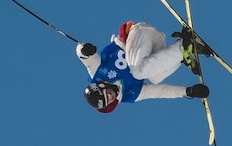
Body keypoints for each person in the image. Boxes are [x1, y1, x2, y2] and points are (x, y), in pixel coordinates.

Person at [78, 21, 210, 114]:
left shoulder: (97, 73)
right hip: (156, 46)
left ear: (102, 86)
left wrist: (84, 50)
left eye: (107, 94)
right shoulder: (127, 94)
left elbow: (84, 57)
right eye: (109, 101)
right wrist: (187, 91)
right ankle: (183, 52)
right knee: (155, 78)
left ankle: (183, 48)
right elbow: (158, 92)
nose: (112, 97)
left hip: (139, 34)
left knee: (138, 72)